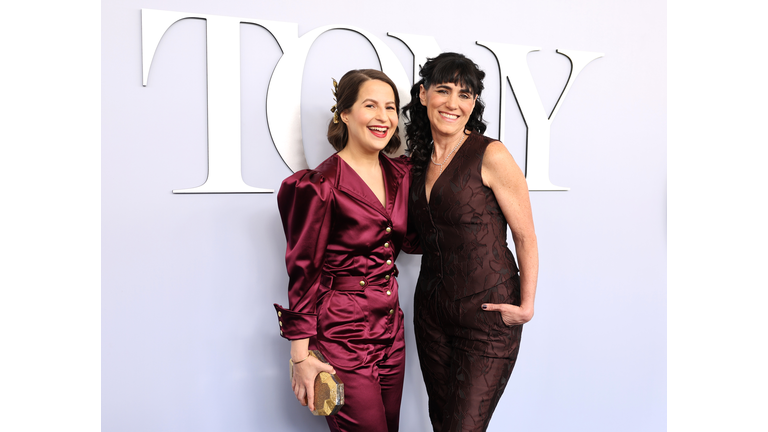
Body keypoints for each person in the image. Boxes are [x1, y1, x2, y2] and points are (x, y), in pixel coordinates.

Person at [273, 69, 417, 432]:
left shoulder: (401, 174)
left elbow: (411, 238)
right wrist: (300, 356)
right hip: (342, 331)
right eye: (371, 105)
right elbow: (303, 272)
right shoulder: (319, 185)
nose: (383, 117)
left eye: (390, 107)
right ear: (345, 113)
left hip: (391, 327)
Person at [403, 52, 539, 431]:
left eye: (465, 95)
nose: (453, 103)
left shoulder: (490, 153)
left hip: (488, 316)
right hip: (431, 313)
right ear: (423, 94)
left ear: (474, 103)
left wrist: (526, 305)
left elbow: (525, 234)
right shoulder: (417, 159)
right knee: (442, 423)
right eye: (443, 91)